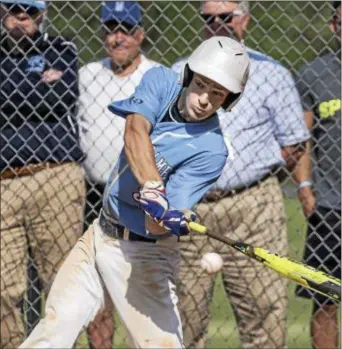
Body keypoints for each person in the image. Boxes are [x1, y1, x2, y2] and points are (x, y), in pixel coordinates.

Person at [19, 36, 250, 349]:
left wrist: (168, 218)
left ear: (229, 99)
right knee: (53, 332)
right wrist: (153, 186)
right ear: (188, 77)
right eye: (201, 85)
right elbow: (135, 130)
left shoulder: (211, 150)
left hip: (145, 256)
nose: (205, 99)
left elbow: (157, 227)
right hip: (100, 234)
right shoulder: (161, 81)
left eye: (217, 93)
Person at [172, 1, 310, 348]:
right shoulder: (178, 72)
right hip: (190, 208)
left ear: (244, 21)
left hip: (253, 207)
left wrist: (254, 171)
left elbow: (294, 142)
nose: (217, 23)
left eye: (226, 16)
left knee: (264, 317)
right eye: (209, 18)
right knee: (182, 321)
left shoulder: (271, 72)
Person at [0, 1, 86, 348]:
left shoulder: (61, 47)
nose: (21, 20)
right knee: (3, 292)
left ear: (41, 16)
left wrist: (12, 88)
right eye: (13, 11)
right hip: (4, 183)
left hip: (55, 177)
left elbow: (62, 95)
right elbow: (41, 97)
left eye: (29, 13)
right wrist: (37, 85)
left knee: (62, 287)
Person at [77, 1, 159, 347]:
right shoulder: (86, 75)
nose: (118, 38)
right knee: (97, 295)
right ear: (102, 34)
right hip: (93, 194)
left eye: (126, 29)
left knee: (143, 294)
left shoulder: (157, 76)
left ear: (140, 35)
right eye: (111, 29)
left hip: (141, 197)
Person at [294, 2, 341, 348]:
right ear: (333, 26)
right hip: (330, 204)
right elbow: (302, 138)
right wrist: (306, 187)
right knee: (325, 299)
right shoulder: (313, 73)